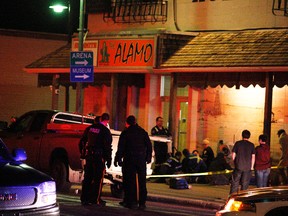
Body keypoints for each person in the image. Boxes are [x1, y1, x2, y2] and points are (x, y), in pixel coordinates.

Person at [114, 115, 152, 210]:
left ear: (127, 123)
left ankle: (130, 201)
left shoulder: (126, 132)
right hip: (141, 160)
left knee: (128, 181)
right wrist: (148, 157)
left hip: (129, 159)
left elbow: (121, 147)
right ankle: (142, 202)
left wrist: (117, 159)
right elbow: (149, 145)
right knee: (141, 181)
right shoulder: (142, 132)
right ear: (135, 122)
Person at [79, 113, 112, 206]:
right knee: (98, 179)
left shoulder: (89, 128)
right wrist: (108, 159)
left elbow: (81, 142)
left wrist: (82, 153)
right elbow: (107, 146)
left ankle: (84, 198)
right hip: (99, 157)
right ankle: (95, 199)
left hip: (89, 156)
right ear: (107, 121)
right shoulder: (105, 131)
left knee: (88, 178)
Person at [229, 130, 255, 194]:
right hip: (247, 167)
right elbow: (253, 157)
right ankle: (242, 198)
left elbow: (233, 154)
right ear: (249, 136)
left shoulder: (238, 143)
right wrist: (251, 167)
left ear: (242, 135)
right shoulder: (251, 145)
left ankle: (232, 197)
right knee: (245, 184)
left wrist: (234, 162)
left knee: (235, 183)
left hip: (238, 166)